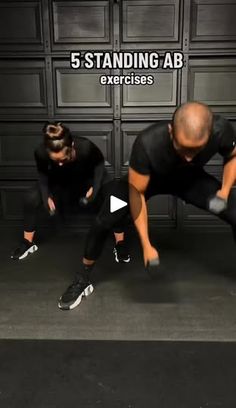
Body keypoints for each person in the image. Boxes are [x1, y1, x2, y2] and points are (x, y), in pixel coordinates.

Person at [11, 122, 130, 310]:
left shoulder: (85, 147)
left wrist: (95, 189)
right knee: (30, 197)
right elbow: (43, 175)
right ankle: (28, 243)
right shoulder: (40, 152)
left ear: (72, 147)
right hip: (64, 182)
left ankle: (120, 243)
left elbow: (99, 167)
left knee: (116, 200)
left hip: (91, 179)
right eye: (55, 160)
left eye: (63, 158)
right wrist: (45, 196)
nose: (59, 162)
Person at [128, 102, 236, 267]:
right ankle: (84, 276)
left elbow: (233, 156)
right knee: (110, 211)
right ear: (171, 132)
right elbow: (137, 193)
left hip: (190, 181)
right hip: (153, 181)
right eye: (183, 149)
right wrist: (146, 245)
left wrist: (225, 191)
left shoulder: (221, 130)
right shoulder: (147, 143)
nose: (189, 158)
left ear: (210, 133)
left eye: (195, 150)